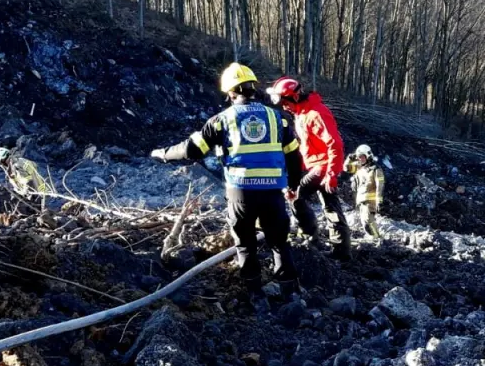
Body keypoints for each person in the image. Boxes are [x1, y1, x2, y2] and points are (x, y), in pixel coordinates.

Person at [150, 63, 303, 296]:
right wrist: (293, 186)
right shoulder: (277, 118)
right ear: (253, 88)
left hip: (241, 192)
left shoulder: (222, 120)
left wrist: (163, 153)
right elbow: (293, 156)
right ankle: (290, 294)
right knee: (279, 242)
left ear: (230, 92)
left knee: (245, 244)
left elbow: (193, 150)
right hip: (273, 191)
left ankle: (255, 294)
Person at [266, 76, 352, 260]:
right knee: (331, 206)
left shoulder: (315, 114)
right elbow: (309, 146)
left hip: (324, 166)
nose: (284, 107)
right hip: (318, 165)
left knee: (296, 195)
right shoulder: (302, 114)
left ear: (295, 97)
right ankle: (342, 251)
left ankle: (310, 238)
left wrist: (331, 174)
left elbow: (335, 144)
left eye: (285, 103)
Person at [344, 144, 386, 241]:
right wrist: (349, 158)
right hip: (361, 200)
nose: (360, 159)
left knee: (368, 221)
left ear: (368, 156)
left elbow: (380, 185)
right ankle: (375, 238)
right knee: (364, 222)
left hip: (370, 201)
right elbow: (346, 168)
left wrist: (379, 200)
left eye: (362, 157)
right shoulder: (359, 167)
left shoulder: (376, 169)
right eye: (359, 157)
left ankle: (377, 238)